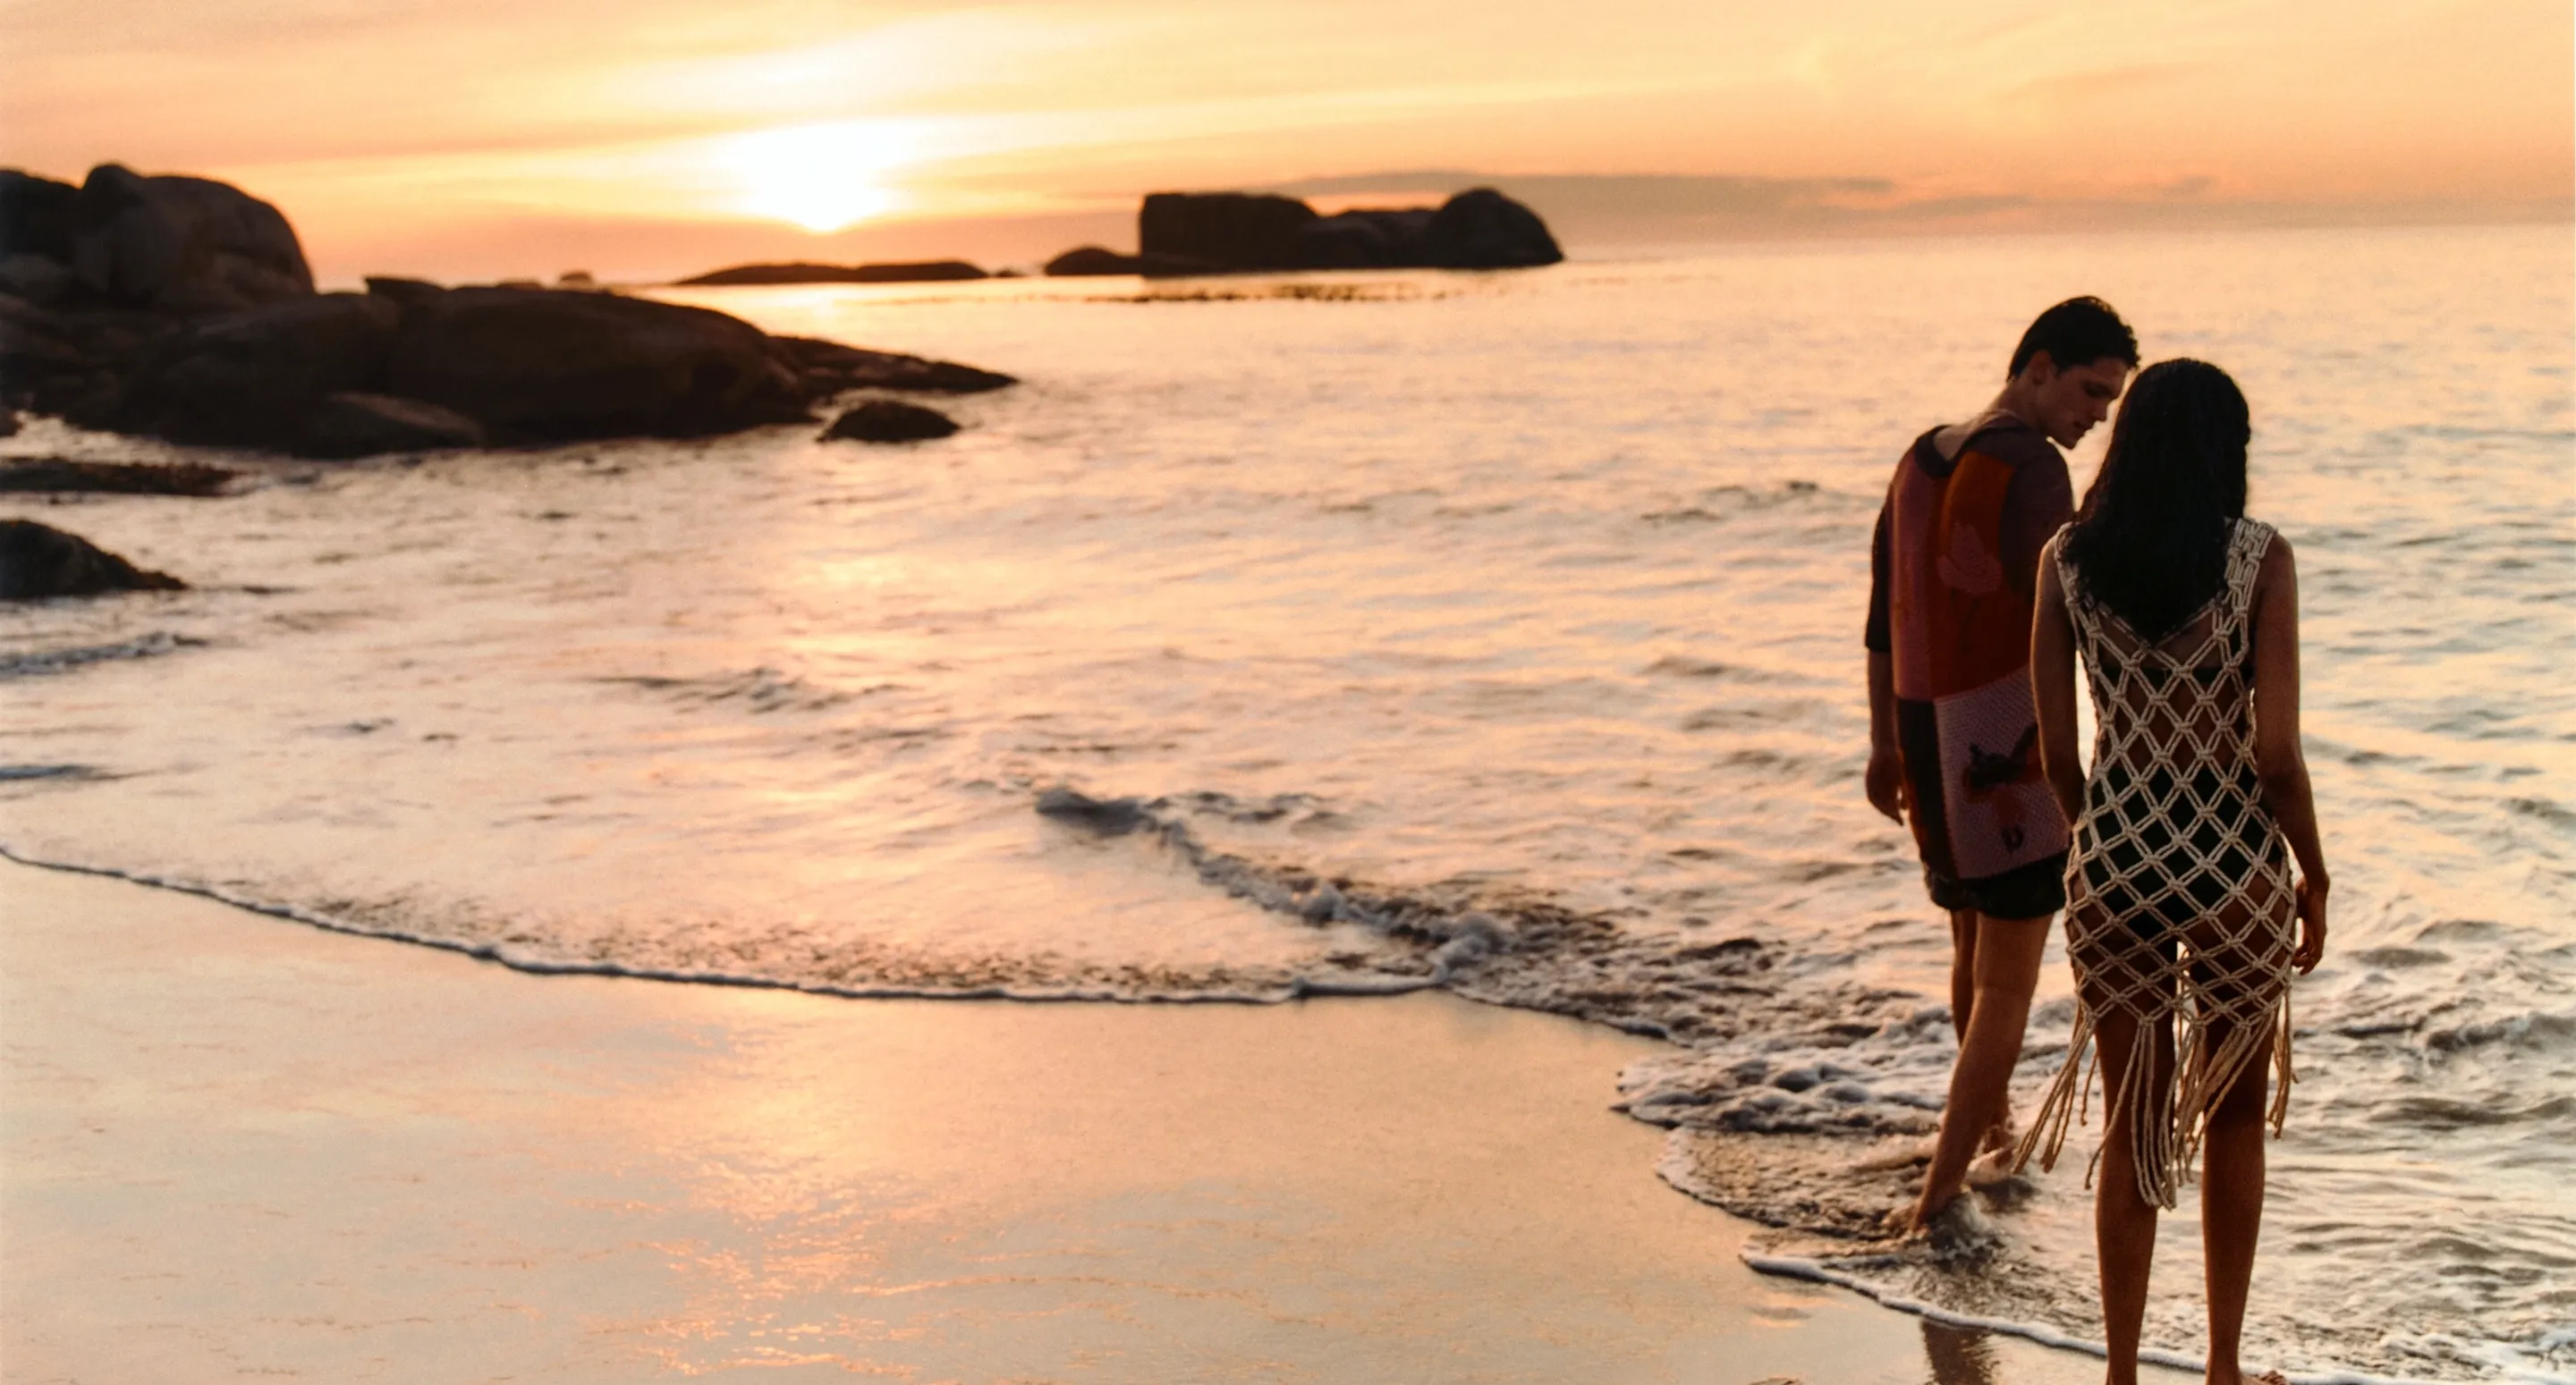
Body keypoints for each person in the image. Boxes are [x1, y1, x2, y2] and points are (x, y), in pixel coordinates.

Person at [2012, 359, 2328, 1385]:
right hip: (2234, 861)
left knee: (2133, 1114)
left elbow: (2055, 750)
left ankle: (2118, 1373)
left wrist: (2101, 836)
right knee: (2233, 1111)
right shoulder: (2258, 560)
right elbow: (2276, 755)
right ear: (2226, 451)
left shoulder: (2068, 561)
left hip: (2113, 858)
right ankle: (2224, 1368)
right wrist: (2313, 875)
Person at [1864, 296, 2139, 1233]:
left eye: (2110, 404)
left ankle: (1988, 1127)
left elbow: (1878, 619)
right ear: (2039, 367)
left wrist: (1878, 743)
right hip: (2004, 753)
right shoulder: (2031, 466)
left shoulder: (1918, 455)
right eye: (2091, 392)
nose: (2096, 416)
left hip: (1924, 741)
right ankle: (1941, 1186)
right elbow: (2072, 613)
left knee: (1969, 952)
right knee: (2008, 982)